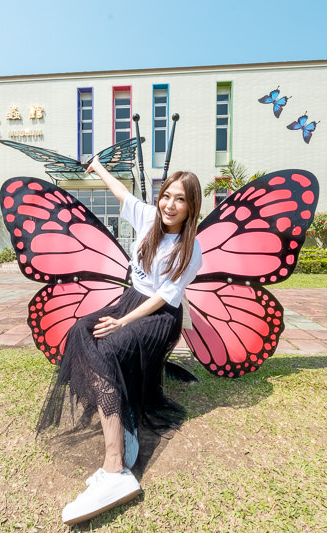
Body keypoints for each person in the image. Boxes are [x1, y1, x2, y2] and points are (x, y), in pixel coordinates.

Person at [37, 157, 203, 525]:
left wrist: (122, 322)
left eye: (180, 199)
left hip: (157, 317)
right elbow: (122, 192)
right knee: (82, 330)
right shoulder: (148, 218)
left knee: (108, 346)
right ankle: (124, 419)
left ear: (192, 207)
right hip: (132, 300)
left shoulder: (192, 249)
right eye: (167, 196)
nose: (169, 204)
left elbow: (164, 297)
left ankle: (115, 471)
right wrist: (97, 168)